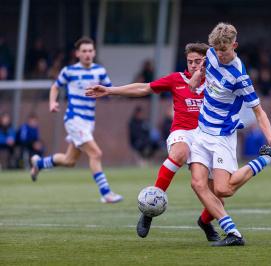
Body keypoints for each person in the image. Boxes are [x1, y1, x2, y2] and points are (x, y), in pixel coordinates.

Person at [86, 43, 222, 241]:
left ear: (206, 61)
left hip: (208, 137)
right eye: (190, 61)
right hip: (183, 132)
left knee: (218, 193)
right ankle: (149, 209)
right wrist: (110, 90)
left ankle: (205, 222)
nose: (193, 65)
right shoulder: (177, 79)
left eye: (198, 61)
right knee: (180, 153)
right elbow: (144, 88)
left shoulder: (215, 81)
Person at [188, 22, 271, 246]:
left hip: (222, 136)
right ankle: (233, 234)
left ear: (234, 45)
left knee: (222, 190)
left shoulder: (240, 77)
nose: (219, 54)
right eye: (216, 49)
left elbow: (258, 111)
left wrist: (270, 138)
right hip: (201, 131)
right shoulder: (211, 54)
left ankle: (267, 157)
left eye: (224, 50)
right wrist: (198, 75)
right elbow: (206, 64)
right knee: (198, 184)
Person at [29, 36, 123, 204]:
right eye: (84, 51)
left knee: (69, 160)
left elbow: (111, 90)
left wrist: (120, 93)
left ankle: (39, 163)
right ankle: (106, 193)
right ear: (77, 53)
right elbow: (55, 86)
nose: (87, 54)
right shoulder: (69, 71)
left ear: (94, 52)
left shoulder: (99, 71)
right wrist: (52, 102)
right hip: (74, 119)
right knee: (96, 153)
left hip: (88, 122)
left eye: (90, 51)